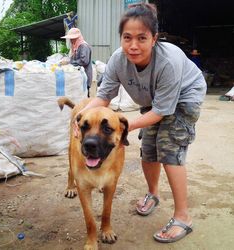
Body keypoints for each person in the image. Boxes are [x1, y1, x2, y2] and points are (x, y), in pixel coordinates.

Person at [74, 3, 207, 243]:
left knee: (168, 148)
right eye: (127, 38)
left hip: (184, 97)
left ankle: (183, 217)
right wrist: (79, 118)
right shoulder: (118, 59)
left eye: (142, 38)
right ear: (121, 38)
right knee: (148, 150)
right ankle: (153, 194)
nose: (133, 45)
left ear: (154, 38)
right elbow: (104, 97)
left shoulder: (169, 61)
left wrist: (124, 126)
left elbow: (161, 111)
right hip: (154, 100)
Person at [61, 28, 93, 97]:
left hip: (85, 75)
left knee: (84, 96)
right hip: (79, 76)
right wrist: (67, 61)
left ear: (77, 38)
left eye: (72, 38)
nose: (71, 40)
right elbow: (73, 58)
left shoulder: (84, 46)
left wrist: (70, 62)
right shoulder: (76, 47)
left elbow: (84, 61)